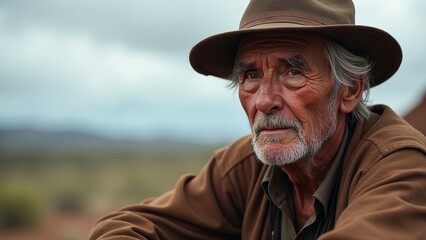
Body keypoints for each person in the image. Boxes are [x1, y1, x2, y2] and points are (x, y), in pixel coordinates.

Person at [89, 0, 426, 239]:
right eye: (251, 75)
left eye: (293, 72)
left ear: (349, 91)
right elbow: (122, 227)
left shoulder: (402, 166)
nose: (264, 101)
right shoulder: (245, 168)